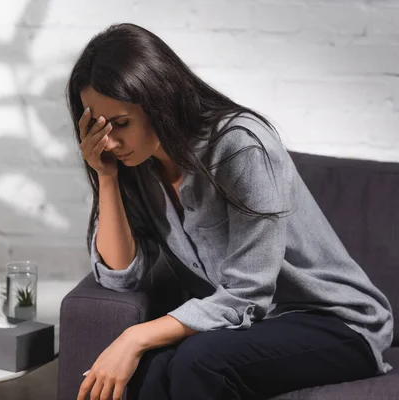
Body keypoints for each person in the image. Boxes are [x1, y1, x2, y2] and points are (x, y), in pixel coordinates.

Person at [66, 23, 393, 400]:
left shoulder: (240, 147)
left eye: (121, 124)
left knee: (198, 361)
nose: (109, 141)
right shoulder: (134, 166)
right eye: (100, 126)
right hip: (251, 328)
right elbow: (121, 278)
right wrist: (106, 178)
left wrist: (136, 335)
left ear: (159, 102)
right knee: (151, 368)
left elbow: (248, 294)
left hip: (336, 324)